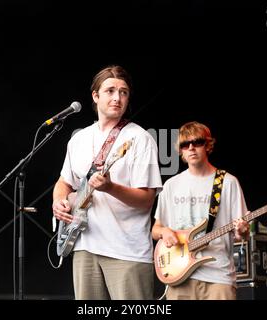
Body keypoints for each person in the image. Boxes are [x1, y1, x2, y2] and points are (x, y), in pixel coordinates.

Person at [52, 65, 163, 300]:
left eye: (123, 92)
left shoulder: (140, 139)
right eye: (110, 91)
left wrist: (110, 188)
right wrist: (59, 201)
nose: (117, 98)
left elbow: (146, 201)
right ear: (95, 96)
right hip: (84, 246)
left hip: (127, 251)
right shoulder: (79, 139)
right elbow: (64, 182)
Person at [151, 121, 249, 300]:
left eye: (197, 142)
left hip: (218, 276)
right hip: (179, 274)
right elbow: (156, 229)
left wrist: (243, 231)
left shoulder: (227, 182)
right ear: (180, 150)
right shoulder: (171, 185)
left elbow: (241, 233)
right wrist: (164, 231)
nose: (191, 148)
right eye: (185, 144)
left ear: (208, 145)